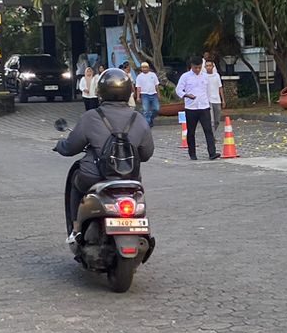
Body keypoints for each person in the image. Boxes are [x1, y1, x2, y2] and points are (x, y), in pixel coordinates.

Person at [53, 67, 154, 239]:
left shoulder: (91, 116)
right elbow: (146, 154)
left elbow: (70, 148)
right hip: (129, 178)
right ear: (129, 91)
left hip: (94, 176)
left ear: (100, 92)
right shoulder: (139, 118)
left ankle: (76, 229)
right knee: (138, 196)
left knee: (75, 180)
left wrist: (59, 145)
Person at [176, 59, 217, 160]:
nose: (197, 70)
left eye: (199, 67)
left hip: (204, 107)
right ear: (191, 66)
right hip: (191, 107)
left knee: (208, 130)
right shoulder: (185, 77)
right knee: (191, 132)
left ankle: (212, 153)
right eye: (195, 68)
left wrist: (209, 102)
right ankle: (192, 153)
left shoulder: (205, 76)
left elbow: (208, 91)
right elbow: (178, 90)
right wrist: (186, 95)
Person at [134, 60, 162, 128]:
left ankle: (150, 118)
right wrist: (138, 97)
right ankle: (147, 124)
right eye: (143, 67)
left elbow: (156, 85)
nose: (144, 69)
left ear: (148, 68)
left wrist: (158, 94)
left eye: (145, 67)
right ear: (141, 68)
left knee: (156, 109)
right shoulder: (139, 77)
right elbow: (138, 88)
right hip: (145, 95)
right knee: (146, 110)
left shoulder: (153, 75)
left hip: (153, 94)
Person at [205, 56, 225, 131]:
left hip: (217, 100)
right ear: (205, 67)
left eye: (210, 66)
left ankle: (214, 131)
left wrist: (223, 100)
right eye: (207, 66)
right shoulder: (204, 76)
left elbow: (220, 87)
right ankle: (212, 135)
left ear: (213, 66)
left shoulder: (217, 75)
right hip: (208, 100)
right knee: (211, 120)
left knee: (217, 120)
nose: (208, 67)